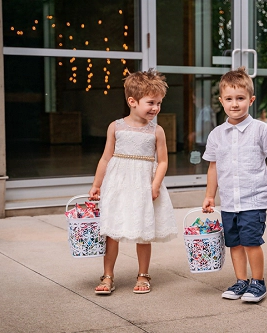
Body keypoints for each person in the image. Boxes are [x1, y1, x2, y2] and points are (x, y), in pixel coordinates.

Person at [202, 66, 267, 303]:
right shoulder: (216, 135)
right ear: (221, 100)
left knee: (251, 241)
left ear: (251, 100)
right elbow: (213, 167)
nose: (235, 104)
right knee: (234, 243)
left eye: (240, 98)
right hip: (230, 202)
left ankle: (258, 282)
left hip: (254, 199)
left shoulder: (261, 130)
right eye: (229, 99)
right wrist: (210, 196)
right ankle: (241, 281)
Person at [88, 69, 178, 295]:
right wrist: (97, 184)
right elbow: (106, 158)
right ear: (132, 101)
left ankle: (143, 274)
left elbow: (163, 161)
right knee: (112, 230)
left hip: (142, 186)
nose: (156, 108)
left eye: (159, 103)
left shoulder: (156, 131)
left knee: (143, 229)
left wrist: (155, 184)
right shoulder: (116, 127)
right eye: (151, 103)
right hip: (117, 184)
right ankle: (108, 275)